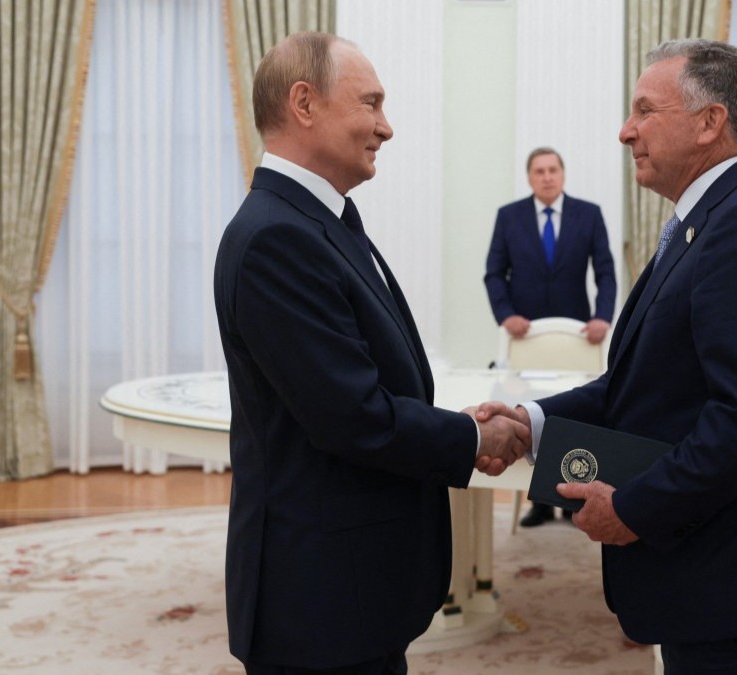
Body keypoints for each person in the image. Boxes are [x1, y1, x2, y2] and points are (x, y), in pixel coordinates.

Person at [479, 39, 737, 674]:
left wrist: (632, 509)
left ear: (710, 122)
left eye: (645, 110)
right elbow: (641, 383)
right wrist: (530, 422)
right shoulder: (707, 223)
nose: (626, 131)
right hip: (711, 572)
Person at [212, 32, 527, 674]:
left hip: (350, 590)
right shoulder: (278, 238)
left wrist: (454, 426)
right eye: (371, 103)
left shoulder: (316, 222)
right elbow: (351, 416)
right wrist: (471, 438)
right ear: (304, 103)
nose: (387, 127)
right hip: (321, 602)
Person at [484, 147, 617, 527]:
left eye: (552, 170)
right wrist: (506, 315)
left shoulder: (588, 214)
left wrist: (602, 316)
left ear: (562, 174)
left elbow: (605, 271)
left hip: (577, 338)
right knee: (529, 412)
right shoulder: (509, 217)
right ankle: (540, 502)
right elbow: (494, 273)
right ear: (530, 177)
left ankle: (572, 498)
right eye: (539, 171)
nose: (546, 177)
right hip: (526, 338)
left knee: (573, 413)